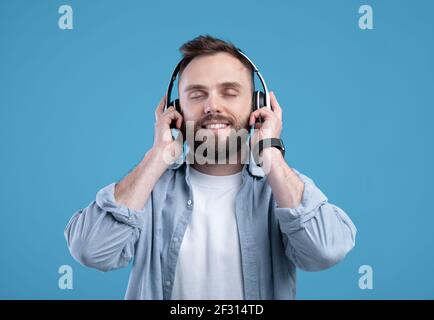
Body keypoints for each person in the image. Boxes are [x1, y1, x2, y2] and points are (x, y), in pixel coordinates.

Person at [64, 35, 357, 300]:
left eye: (229, 92)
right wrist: (157, 157)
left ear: (258, 105)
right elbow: (91, 250)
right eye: (196, 94)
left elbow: (326, 252)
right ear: (175, 110)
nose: (212, 106)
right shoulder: (148, 191)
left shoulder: (282, 189)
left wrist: (270, 154)